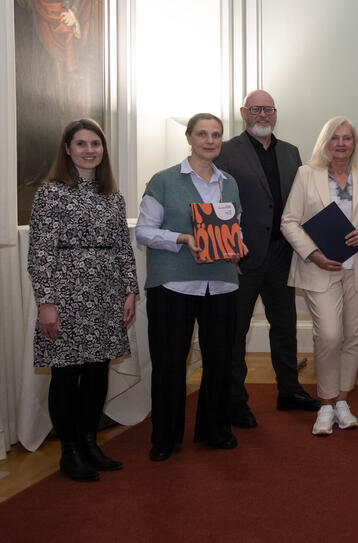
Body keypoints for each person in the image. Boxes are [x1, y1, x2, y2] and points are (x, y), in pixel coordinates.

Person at [28, 119, 138, 481]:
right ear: (68, 149)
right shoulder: (51, 193)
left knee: (96, 372)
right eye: (82, 144)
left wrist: (130, 291)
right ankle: (70, 450)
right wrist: (46, 301)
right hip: (65, 295)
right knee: (66, 373)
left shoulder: (113, 196)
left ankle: (91, 443)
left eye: (96, 144)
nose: (90, 150)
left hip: (106, 295)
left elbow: (123, 248)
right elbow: (40, 252)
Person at [136, 113, 247, 462]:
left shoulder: (229, 183)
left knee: (220, 362)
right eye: (203, 134)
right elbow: (144, 231)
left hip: (221, 284)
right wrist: (183, 238)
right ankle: (165, 438)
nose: (210, 140)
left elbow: (235, 229)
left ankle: (214, 430)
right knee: (170, 364)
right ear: (189, 137)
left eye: (216, 135)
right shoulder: (164, 180)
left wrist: (239, 246)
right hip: (173, 285)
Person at [215, 89, 319, 429]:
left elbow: (302, 201)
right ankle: (234, 399)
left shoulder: (291, 153)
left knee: (285, 326)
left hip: (281, 254)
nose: (263, 115)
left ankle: (289, 390)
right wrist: (228, 250)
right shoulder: (226, 151)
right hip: (241, 256)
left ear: (276, 114)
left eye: (269, 109)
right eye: (256, 109)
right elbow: (218, 205)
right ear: (244, 112)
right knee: (236, 331)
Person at [281, 116, 358, 436]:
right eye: (335, 138)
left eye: (347, 138)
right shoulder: (306, 174)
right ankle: (325, 403)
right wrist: (313, 253)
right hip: (320, 267)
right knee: (329, 335)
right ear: (325, 142)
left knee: (353, 337)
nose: (341, 144)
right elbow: (289, 221)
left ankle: (341, 401)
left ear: (354, 143)